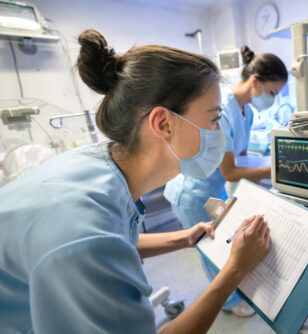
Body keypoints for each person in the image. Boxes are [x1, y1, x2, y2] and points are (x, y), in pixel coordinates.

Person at [0, 29, 271, 334]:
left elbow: (117, 241)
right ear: (163, 124)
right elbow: (94, 243)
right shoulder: (84, 232)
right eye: (212, 118)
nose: (218, 131)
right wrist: (235, 271)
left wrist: (182, 237)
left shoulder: (103, 165)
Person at [164, 45, 287, 316]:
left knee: (225, 239)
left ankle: (232, 285)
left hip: (213, 190)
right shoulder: (224, 110)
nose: (272, 100)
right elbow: (231, 171)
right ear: (255, 81)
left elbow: (239, 159)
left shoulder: (249, 112)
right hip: (194, 193)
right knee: (211, 247)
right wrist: (276, 171)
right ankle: (229, 303)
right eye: (272, 93)